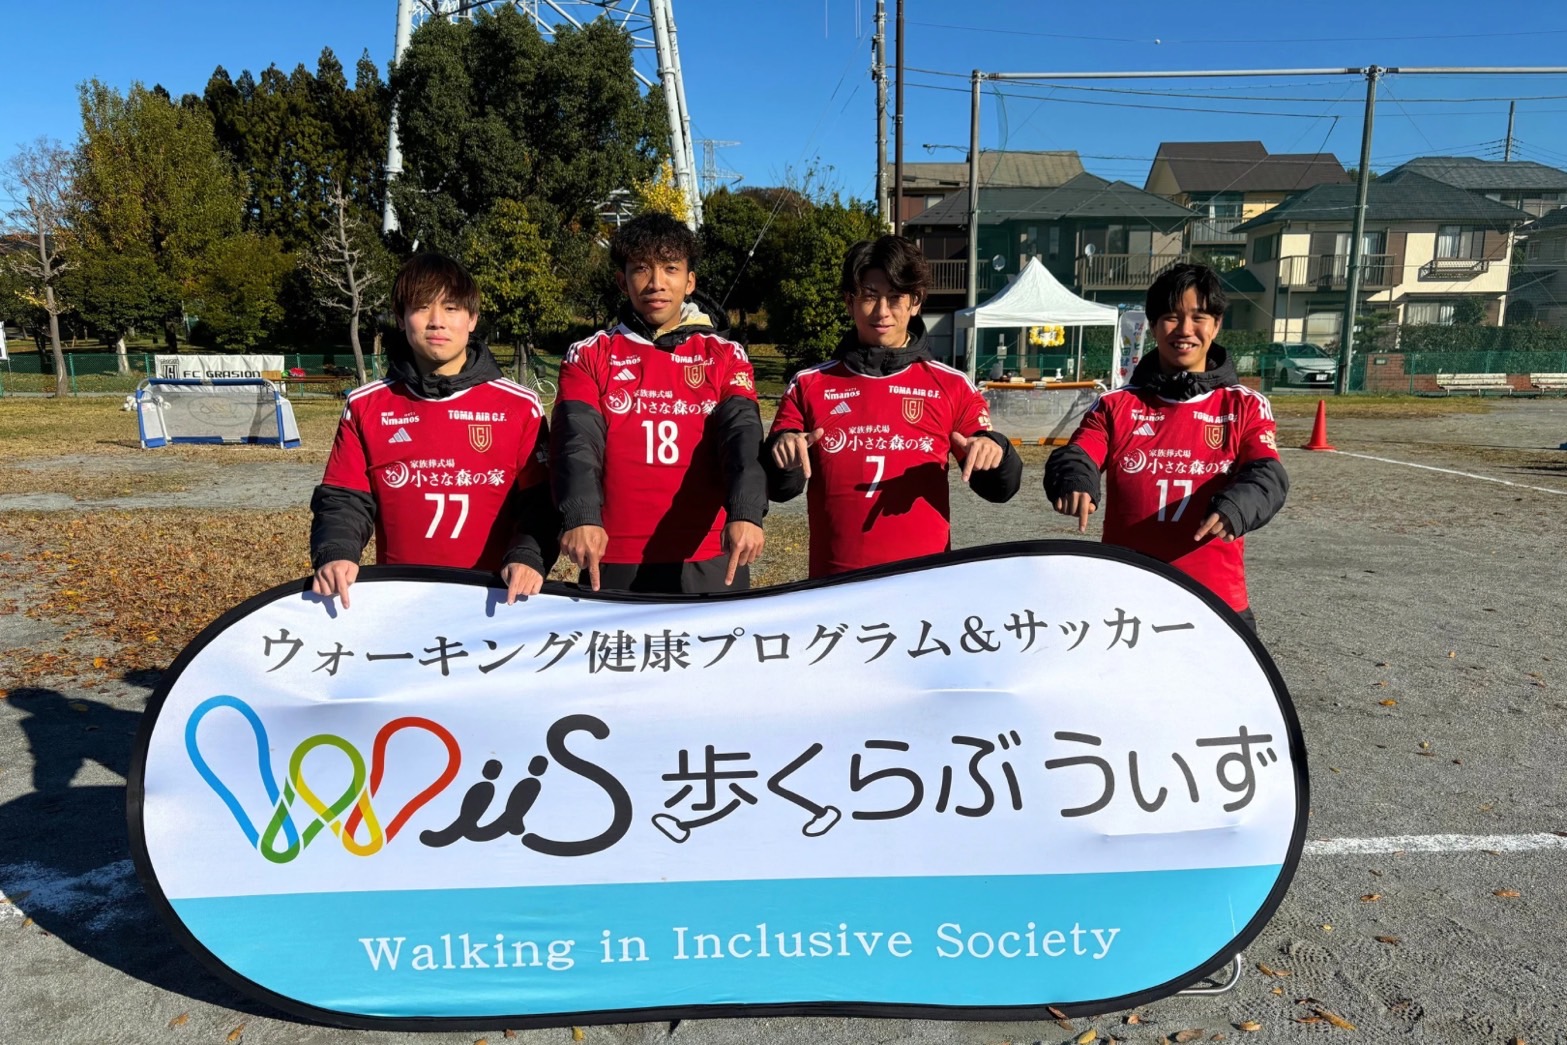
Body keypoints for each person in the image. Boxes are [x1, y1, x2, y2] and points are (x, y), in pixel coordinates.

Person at [1043, 263, 1288, 629]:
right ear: (1154, 325)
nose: (1185, 330)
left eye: (1199, 317)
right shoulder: (1116, 405)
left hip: (1216, 603)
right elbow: (1079, 454)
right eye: (1172, 317)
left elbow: (1267, 474)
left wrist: (1238, 506)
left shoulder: (1244, 405)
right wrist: (1074, 480)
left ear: (1216, 325)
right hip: (1126, 602)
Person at [764, 235, 1022, 577]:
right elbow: (781, 489)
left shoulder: (952, 385)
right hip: (834, 583)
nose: (882, 311)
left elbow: (1000, 489)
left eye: (895, 297)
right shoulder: (809, 384)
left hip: (923, 581)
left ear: (916, 302)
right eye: (869, 296)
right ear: (849, 302)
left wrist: (996, 450)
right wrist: (782, 456)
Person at [310, 253, 558, 608]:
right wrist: (335, 551)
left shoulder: (520, 406)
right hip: (400, 601)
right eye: (422, 307)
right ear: (400, 318)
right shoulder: (366, 405)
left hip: (495, 602)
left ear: (472, 318)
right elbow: (345, 500)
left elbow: (540, 503)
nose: (437, 322)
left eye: (452, 308)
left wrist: (529, 556)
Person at [551, 212, 766, 593]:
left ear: (690, 281)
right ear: (622, 281)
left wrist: (746, 511)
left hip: (708, 553)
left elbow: (742, 439)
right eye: (641, 269)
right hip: (615, 552)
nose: (656, 283)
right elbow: (576, 443)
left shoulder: (725, 354)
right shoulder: (589, 354)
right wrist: (581, 515)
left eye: (670, 268)